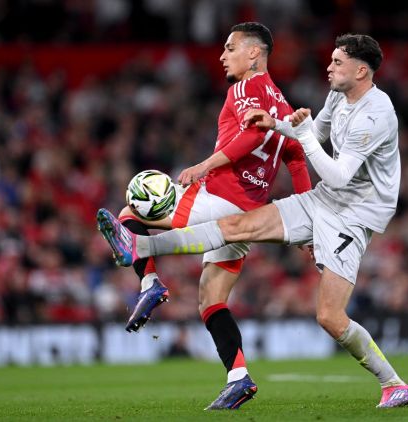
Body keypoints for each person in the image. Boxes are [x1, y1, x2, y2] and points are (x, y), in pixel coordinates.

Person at [97, 33, 408, 408]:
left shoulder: (377, 114)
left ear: (361, 70)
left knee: (330, 317)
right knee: (238, 228)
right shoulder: (337, 96)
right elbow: (311, 136)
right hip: (322, 200)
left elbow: (338, 173)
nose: (328, 67)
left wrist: (289, 135)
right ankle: (141, 247)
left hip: (353, 214)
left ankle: (393, 383)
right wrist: (276, 124)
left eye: (337, 63)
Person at [108, 22, 311, 410]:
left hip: (219, 196)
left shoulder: (244, 88)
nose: (222, 55)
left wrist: (204, 164)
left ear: (254, 53)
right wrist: (306, 217)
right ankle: (239, 378)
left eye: (230, 48)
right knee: (211, 300)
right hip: (247, 217)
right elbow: (296, 157)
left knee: (129, 213)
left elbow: (251, 137)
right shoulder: (282, 105)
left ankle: (149, 281)